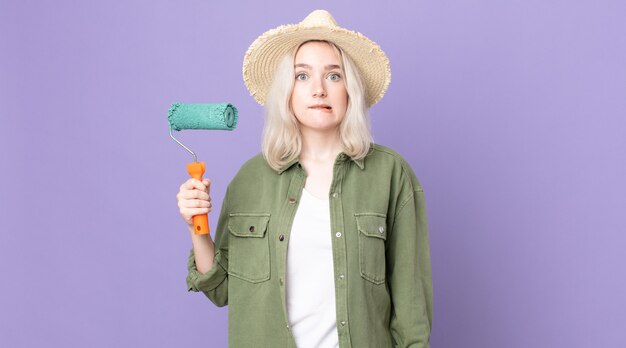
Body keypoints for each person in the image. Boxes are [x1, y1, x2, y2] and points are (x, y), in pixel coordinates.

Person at [176, 9, 433, 348]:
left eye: (333, 76)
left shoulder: (390, 175)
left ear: (349, 90)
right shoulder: (250, 179)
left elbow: (412, 312)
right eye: (302, 76)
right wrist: (198, 225)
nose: (318, 90)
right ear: (287, 92)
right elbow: (221, 289)